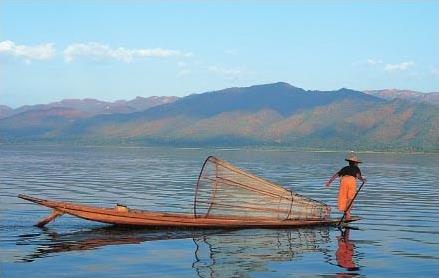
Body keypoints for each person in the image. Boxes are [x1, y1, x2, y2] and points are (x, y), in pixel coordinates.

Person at [325, 151, 366, 220]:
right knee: (350, 198)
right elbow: (358, 176)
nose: (358, 164)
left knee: (343, 196)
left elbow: (336, 175)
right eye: (357, 163)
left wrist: (329, 182)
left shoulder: (345, 168)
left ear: (349, 163)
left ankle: (345, 212)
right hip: (351, 181)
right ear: (355, 163)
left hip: (343, 181)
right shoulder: (356, 168)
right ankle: (348, 213)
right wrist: (363, 180)